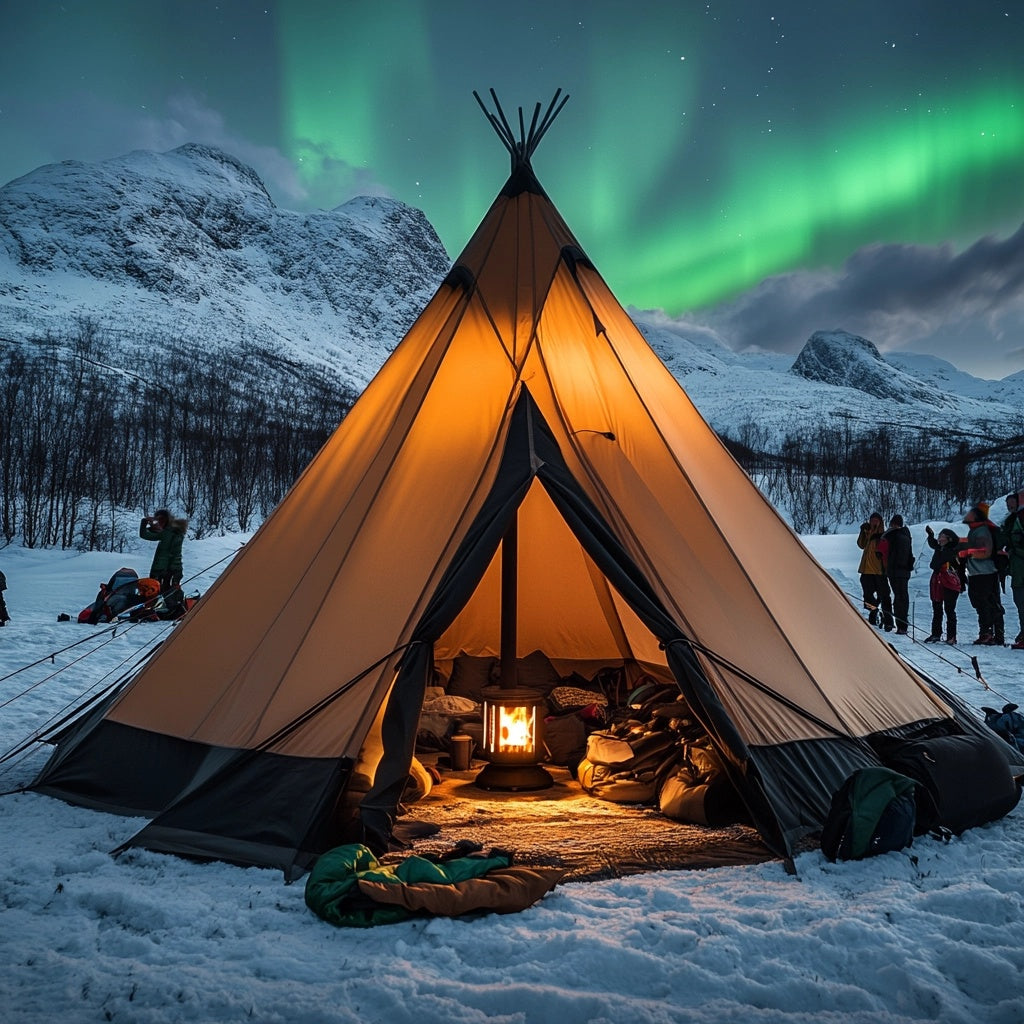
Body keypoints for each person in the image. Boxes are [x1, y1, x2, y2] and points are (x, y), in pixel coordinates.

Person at [958, 502, 1005, 646]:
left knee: (984, 603)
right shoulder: (976, 531)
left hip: (984, 573)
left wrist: (967, 552)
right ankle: (992, 633)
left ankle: (988, 633)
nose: (967, 515)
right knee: (984, 603)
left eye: (971, 513)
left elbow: (985, 551)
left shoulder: (982, 531)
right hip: (979, 573)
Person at [923, 527, 966, 644]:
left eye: (941, 536)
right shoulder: (941, 548)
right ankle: (936, 634)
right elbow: (933, 544)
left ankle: (951, 636)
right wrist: (930, 536)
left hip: (950, 582)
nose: (939, 538)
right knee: (937, 608)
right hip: (938, 581)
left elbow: (937, 564)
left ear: (949, 539)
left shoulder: (951, 550)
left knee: (949, 609)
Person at [857, 513, 894, 630]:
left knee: (884, 596)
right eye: (872, 520)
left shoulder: (883, 535)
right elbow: (861, 545)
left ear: (880, 522)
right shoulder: (868, 532)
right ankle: (874, 613)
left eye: (876, 520)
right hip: (866, 570)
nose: (873, 522)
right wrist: (863, 532)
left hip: (879, 571)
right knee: (868, 596)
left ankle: (888, 621)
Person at [878, 514, 914, 635]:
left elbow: (881, 550)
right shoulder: (906, 535)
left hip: (893, 570)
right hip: (905, 571)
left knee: (898, 598)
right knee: (904, 597)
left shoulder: (890, 535)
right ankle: (903, 624)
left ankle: (899, 624)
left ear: (892, 523)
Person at [139, 509, 187, 596]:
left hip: (162, 570)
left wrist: (144, 523)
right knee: (168, 594)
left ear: (167, 520)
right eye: (158, 520)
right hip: (170, 570)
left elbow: (145, 535)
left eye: (161, 520)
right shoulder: (174, 531)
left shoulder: (168, 533)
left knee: (156, 593)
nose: (159, 522)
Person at [1006, 486, 1024, 649]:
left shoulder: (1020, 519)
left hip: (1020, 569)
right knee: (1019, 603)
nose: (1010, 506)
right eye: (1008, 504)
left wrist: (1012, 550)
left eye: (1012, 503)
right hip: (1016, 571)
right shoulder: (1010, 520)